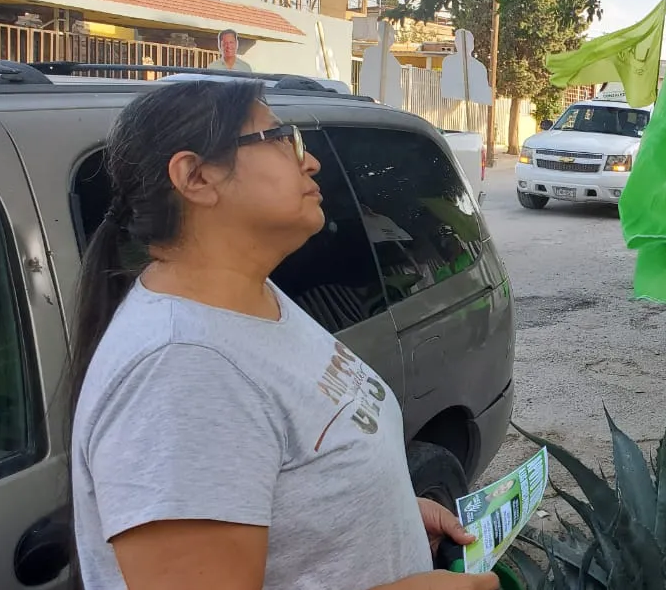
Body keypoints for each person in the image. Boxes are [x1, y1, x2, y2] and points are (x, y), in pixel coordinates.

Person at [69, 80, 496, 590]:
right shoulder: (181, 370)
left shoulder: (252, 295)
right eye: (281, 139)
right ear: (197, 177)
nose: (311, 161)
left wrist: (384, 514)